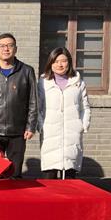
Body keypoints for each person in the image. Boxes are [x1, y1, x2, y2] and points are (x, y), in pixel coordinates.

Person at [0, 33, 37, 178]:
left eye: (10, 45)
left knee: (15, 173)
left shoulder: (26, 71)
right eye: (2, 46)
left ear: (16, 49)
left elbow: (33, 100)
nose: (6, 49)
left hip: (18, 131)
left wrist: (30, 126)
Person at [38, 47, 91, 179]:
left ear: (69, 62)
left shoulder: (78, 83)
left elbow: (85, 107)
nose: (60, 65)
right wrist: (41, 126)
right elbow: (37, 107)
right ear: (50, 63)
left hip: (72, 134)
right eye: (56, 61)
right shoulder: (43, 83)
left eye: (63, 61)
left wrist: (83, 125)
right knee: (49, 175)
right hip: (50, 133)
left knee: (70, 175)